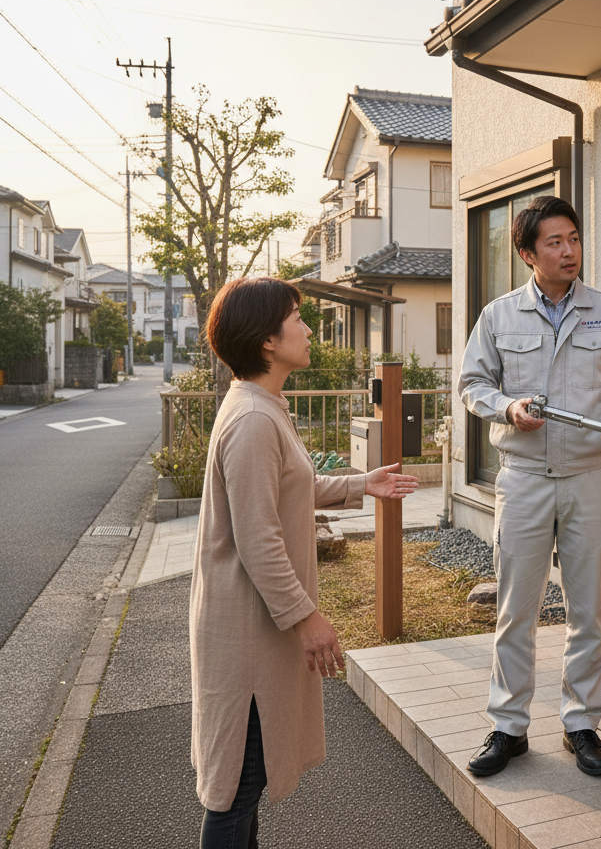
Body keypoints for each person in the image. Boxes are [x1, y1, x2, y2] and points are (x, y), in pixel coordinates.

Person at [190, 276, 418, 847]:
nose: (309, 328)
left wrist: (362, 483)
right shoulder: (253, 420)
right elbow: (258, 536)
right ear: (268, 341)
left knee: (245, 784)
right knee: (234, 792)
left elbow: (291, 486)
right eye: (297, 318)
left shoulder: (263, 406)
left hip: (253, 626)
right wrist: (307, 618)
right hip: (246, 632)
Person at [458, 196, 601, 778]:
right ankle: (508, 727)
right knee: (515, 610)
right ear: (527, 253)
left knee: (586, 611)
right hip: (523, 481)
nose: (569, 251)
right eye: (555, 242)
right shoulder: (498, 316)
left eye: (574, 239)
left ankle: (581, 724)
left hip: (591, 479)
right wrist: (507, 407)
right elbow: (472, 385)